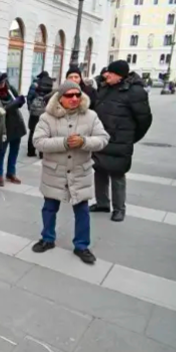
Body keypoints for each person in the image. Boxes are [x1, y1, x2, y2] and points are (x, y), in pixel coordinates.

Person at [31, 81, 110, 265]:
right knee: (49, 208)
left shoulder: (90, 116)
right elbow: (38, 142)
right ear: (60, 98)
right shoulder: (47, 118)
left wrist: (84, 142)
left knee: (82, 210)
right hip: (54, 172)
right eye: (69, 95)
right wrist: (64, 142)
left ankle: (82, 246)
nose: (74, 98)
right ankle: (47, 239)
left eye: (77, 95)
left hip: (79, 172)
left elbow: (103, 139)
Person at [90, 60, 153, 222]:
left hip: (120, 141)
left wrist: (130, 138)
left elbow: (144, 120)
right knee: (99, 171)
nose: (106, 75)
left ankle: (119, 209)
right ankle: (102, 203)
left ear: (119, 75)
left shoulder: (135, 92)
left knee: (117, 175)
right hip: (101, 138)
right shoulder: (105, 88)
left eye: (110, 72)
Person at [0, 71, 26, 186]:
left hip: (15, 124)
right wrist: (14, 103)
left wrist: (20, 101)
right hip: (3, 127)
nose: (3, 84)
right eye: (0, 82)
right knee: (1, 152)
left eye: (4, 81)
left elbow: (16, 101)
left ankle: (11, 172)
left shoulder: (9, 88)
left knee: (14, 151)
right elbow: (1, 109)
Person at [27, 74, 54, 157]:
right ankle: (42, 153)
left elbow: (29, 98)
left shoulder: (36, 86)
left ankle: (31, 152)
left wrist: (30, 108)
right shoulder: (50, 87)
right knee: (45, 132)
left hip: (35, 113)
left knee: (32, 131)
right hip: (45, 111)